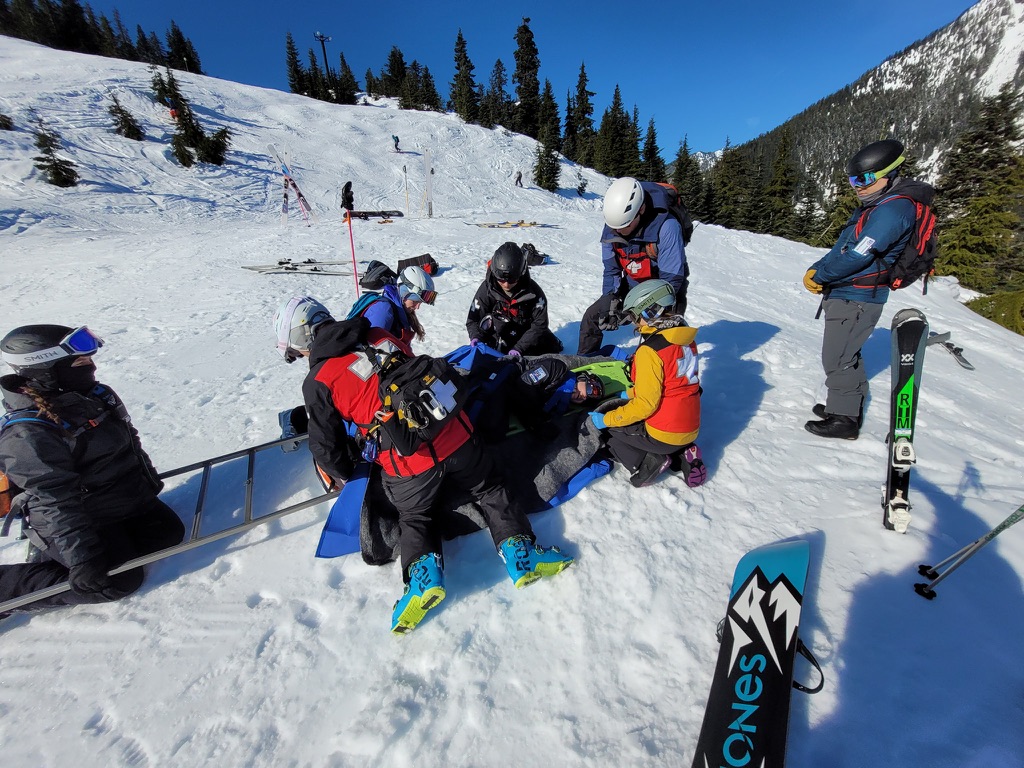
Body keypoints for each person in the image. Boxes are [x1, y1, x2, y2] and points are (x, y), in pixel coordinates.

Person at [274, 297, 573, 635]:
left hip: (408, 464)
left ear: (303, 341)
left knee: (415, 516)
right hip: (457, 435)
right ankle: (523, 554)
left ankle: (423, 578)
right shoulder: (377, 333)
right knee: (490, 486)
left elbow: (326, 448)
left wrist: (351, 469)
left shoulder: (318, 382)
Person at [0, 325, 185, 618]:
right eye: (80, 363)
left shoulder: (95, 395)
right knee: (112, 582)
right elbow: (55, 500)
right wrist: (81, 559)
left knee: (167, 535)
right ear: (47, 371)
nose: (93, 367)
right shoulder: (28, 433)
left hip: (121, 501)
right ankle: (10, 585)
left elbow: (130, 440)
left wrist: (147, 485)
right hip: (79, 518)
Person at [803, 139, 920, 440]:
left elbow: (859, 255)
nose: (858, 186)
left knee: (837, 357)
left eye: (865, 179)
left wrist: (823, 275)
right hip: (847, 292)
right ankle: (843, 406)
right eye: (854, 179)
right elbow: (845, 246)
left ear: (890, 174)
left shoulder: (892, 212)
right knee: (845, 353)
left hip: (858, 296)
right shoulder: (876, 206)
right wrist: (818, 269)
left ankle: (844, 420)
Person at [587, 280, 705, 489]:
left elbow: (645, 405)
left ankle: (645, 463)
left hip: (664, 432)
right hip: (691, 426)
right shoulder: (685, 339)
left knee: (610, 432)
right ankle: (681, 454)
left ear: (650, 312)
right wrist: (630, 393)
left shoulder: (650, 351)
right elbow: (672, 382)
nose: (634, 323)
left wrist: (606, 419)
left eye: (635, 316)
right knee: (654, 428)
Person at [577, 177, 689, 356]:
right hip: (632, 285)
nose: (617, 232)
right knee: (592, 317)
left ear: (641, 210)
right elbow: (612, 270)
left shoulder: (667, 227)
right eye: (614, 227)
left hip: (664, 292)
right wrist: (610, 300)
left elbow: (671, 282)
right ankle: (583, 364)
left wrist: (639, 310)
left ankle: (666, 377)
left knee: (662, 340)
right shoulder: (613, 226)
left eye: (624, 226)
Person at [466, 242, 563, 357]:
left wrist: (519, 348)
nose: (506, 285)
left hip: (525, 337)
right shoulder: (487, 289)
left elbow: (540, 324)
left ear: (521, 274)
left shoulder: (534, 293)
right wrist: (476, 336)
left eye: (512, 280)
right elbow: (473, 319)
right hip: (498, 334)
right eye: (501, 280)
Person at [349, 266, 437, 351]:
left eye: (420, 303)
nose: (417, 307)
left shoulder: (400, 311)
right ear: (404, 293)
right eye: (414, 301)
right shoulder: (383, 310)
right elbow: (371, 351)